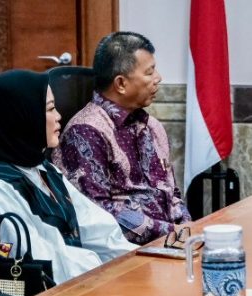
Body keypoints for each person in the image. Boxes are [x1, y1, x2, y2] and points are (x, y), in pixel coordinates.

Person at [0, 70, 136, 284]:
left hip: (74, 284)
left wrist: (137, 262)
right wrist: (104, 275)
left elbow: (96, 228)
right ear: (20, 118)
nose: (59, 116)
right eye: (50, 109)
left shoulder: (42, 169)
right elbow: (41, 264)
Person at [51, 31, 191, 245]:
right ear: (121, 84)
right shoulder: (86, 132)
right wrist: (171, 231)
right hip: (122, 252)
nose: (158, 78)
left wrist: (188, 227)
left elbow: (171, 192)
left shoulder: (151, 126)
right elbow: (97, 212)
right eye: (149, 72)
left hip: (170, 244)